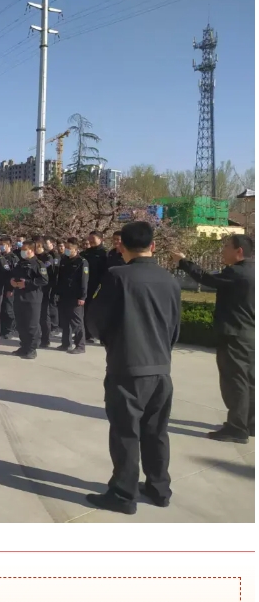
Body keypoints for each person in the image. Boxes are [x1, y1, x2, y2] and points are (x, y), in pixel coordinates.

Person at [86, 221, 181, 515]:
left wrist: (111, 340)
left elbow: (95, 320)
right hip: (161, 369)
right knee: (156, 432)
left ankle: (123, 494)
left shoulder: (117, 276)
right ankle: (159, 488)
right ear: (153, 245)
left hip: (127, 368)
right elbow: (175, 326)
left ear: (121, 247)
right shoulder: (169, 279)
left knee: (126, 433)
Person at [172, 234, 255, 443]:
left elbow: (207, 278)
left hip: (235, 334)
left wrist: (183, 261)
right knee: (249, 380)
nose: (222, 250)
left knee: (235, 382)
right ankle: (250, 423)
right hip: (250, 334)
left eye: (226, 246)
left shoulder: (236, 273)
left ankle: (237, 428)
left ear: (239, 251)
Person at [10, 240, 48, 359]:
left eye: (24, 250)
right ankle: (24, 347)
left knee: (31, 325)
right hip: (19, 296)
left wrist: (27, 283)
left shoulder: (39, 264)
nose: (22, 252)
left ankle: (32, 349)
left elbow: (44, 280)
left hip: (32, 298)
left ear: (31, 250)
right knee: (21, 324)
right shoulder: (20, 263)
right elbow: (13, 274)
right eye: (22, 250)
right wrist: (12, 281)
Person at [57, 237, 88, 354]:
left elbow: (84, 281)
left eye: (69, 248)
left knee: (76, 322)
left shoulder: (82, 262)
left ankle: (80, 345)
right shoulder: (64, 260)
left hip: (75, 296)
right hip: (64, 294)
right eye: (66, 247)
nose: (66, 250)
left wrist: (82, 297)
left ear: (75, 249)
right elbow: (60, 278)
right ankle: (66, 343)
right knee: (65, 320)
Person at [81, 231, 108, 343]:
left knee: (97, 311)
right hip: (86, 285)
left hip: (98, 286)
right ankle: (86, 334)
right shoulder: (85, 253)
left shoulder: (104, 254)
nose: (91, 241)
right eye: (90, 238)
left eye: (93, 239)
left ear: (100, 239)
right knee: (85, 310)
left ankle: (98, 335)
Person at [35, 238, 57, 348]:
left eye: (38, 246)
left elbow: (43, 269)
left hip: (45, 289)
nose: (36, 248)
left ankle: (45, 339)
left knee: (44, 315)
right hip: (35, 289)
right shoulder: (35, 257)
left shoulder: (48, 257)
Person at [0, 237, 18, 340]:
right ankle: (3, 329)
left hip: (9, 287)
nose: (2, 246)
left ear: (9, 246)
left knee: (9, 310)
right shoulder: (0, 257)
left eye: (4, 245)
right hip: (0, 287)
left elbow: (15, 274)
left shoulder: (13, 258)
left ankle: (10, 330)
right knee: (2, 309)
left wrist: (11, 289)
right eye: (1, 244)